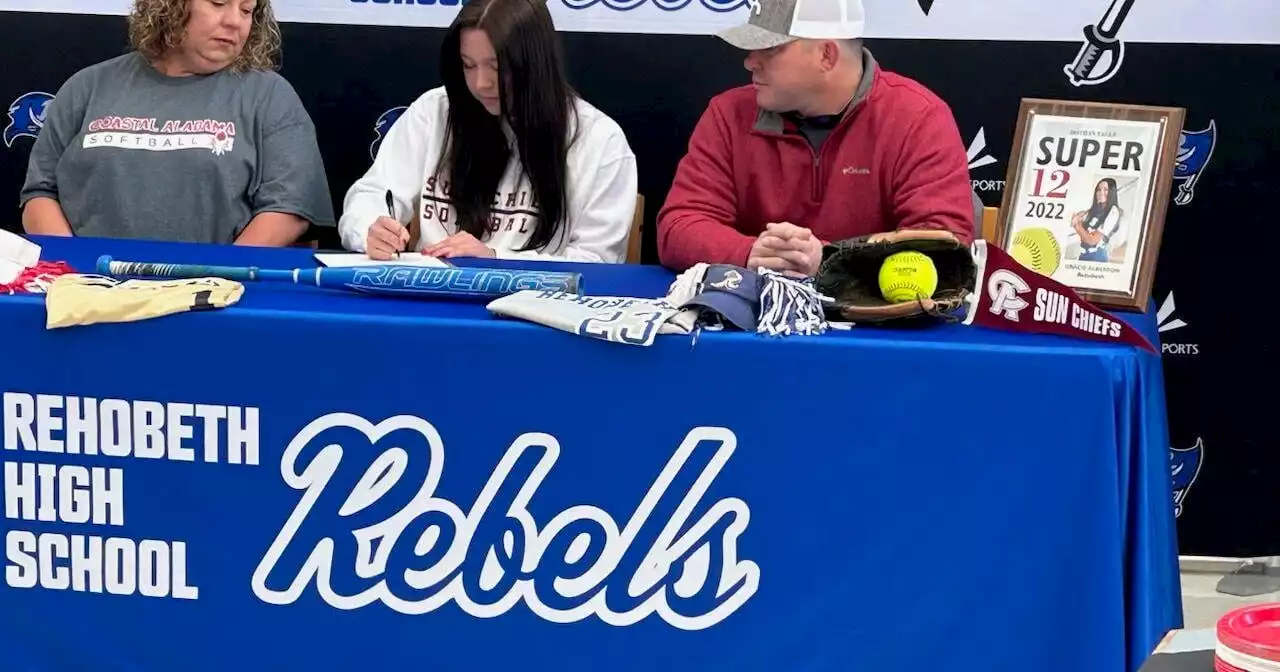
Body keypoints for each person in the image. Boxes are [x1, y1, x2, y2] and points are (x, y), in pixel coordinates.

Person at [656, 0, 974, 274]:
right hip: (755, 328)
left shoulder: (918, 117)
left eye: (769, 48)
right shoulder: (728, 113)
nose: (750, 61)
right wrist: (750, 252)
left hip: (878, 331)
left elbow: (944, 247)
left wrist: (828, 259)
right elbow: (678, 227)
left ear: (826, 56)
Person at [339, 0, 638, 263]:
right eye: (468, 66)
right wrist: (370, 228)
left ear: (534, 64)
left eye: (497, 67)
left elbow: (598, 260)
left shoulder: (599, 140)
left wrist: (496, 259)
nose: (481, 83)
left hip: (540, 312)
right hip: (436, 301)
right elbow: (372, 195)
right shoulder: (435, 111)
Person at [19, 0, 335, 246]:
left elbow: (291, 209)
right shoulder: (87, 86)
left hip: (215, 297)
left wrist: (220, 274)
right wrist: (74, 269)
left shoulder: (270, 95)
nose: (234, 21)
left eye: (246, 10)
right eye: (218, 3)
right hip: (88, 292)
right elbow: (40, 193)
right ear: (170, 7)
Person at [1070, 177, 1123, 263]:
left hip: (1097, 257)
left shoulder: (1113, 212)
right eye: (1099, 189)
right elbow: (1083, 234)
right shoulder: (1095, 209)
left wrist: (1077, 226)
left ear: (1112, 192)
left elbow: (1092, 241)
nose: (1101, 193)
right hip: (1083, 255)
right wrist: (1077, 220)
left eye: (1106, 189)